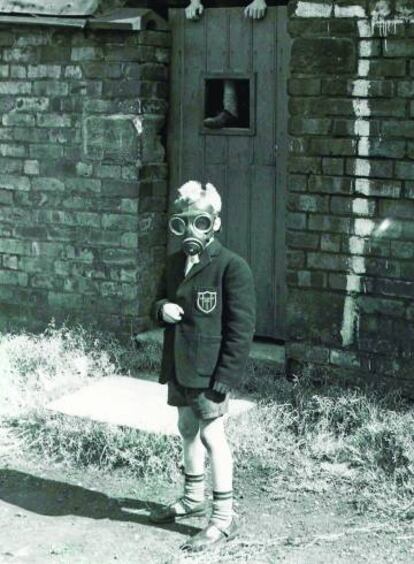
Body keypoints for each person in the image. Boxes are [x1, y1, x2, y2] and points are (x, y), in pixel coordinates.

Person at [150, 180, 256, 552]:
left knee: (213, 436)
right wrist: (161, 309)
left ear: (215, 224)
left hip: (210, 373)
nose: (191, 231)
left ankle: (223, 518)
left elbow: (241, 332)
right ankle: (193, 497)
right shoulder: (175, 262)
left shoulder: (231, 267)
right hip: (180, 366)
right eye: (183, 223)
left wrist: (224, 380)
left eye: (201, 222)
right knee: (186, 428)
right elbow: (156, 300)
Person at [185, 0, 268, 129]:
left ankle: (230, 110)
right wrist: (194, 2)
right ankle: (228, 110)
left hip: (257, 19)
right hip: (219, 16)